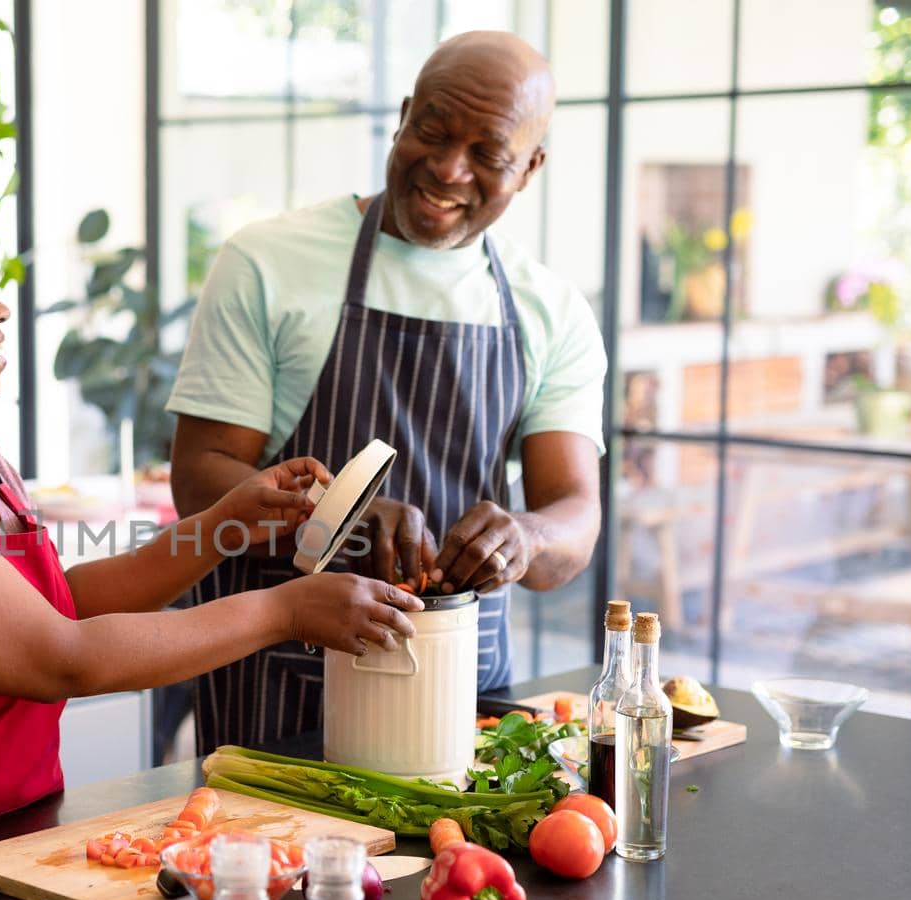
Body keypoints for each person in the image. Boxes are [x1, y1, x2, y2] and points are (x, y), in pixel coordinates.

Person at [0, 184, 419, 861]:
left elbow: (52, 606)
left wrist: (224, 526)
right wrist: (285, 611)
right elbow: (58, 656)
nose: (0, 309)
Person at [166, 31, 605, 751]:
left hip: (463, 690)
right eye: (431, 130)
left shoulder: (549, 309)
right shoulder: (267, 262)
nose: (447, 169)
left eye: (488, 155)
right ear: (403, 116)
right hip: (280, 691)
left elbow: (575, 519)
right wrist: (341, 514)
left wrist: (523, 537)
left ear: (530, 169)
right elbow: (199, 480)